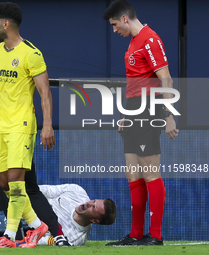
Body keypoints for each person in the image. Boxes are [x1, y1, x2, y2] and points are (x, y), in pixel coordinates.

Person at [0, 2, 55, 248]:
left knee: (17, 183)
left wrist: (47, 126)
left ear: (6, 23)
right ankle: (37, 225)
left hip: (21, 126)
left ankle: (8, 236)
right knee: (3, 182)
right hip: (0, 127)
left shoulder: (31, 53)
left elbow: (45, 92)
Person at [102, 0, 179, 246]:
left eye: (114, 25)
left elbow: (165, 78)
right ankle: (136, 234)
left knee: (149, 171)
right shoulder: (134, 43)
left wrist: (168, 115)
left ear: (125, 19)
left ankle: (154, 235)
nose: (114, 30)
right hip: (135, 110)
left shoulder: (150, 39)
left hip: (151, 109)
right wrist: (127, 113)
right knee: (132, 171)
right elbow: (137, 82)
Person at [37, 184, 116, 246]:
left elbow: (39, 241)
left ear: (94, 220)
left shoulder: (76, 239)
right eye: (93, 201)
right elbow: (39, 191)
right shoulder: (77, 192)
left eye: (93, 208)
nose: (89, 203)